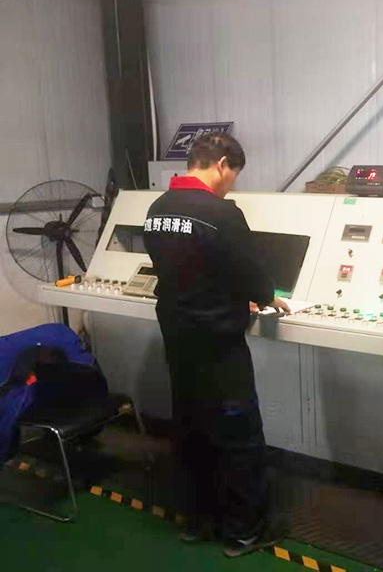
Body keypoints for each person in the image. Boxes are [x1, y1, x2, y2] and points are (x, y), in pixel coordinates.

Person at [143, 133, 289, 556]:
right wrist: (264, 296)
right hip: (219, 345)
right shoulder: (222, 214)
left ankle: (198, 521)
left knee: (191, 429)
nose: (231, 185)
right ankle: (245, 530)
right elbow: (251, 273)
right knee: (238, 434)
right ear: (222, 164)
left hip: (178, 338)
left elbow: (181, 268)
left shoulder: (157, 209)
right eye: (234, 175)